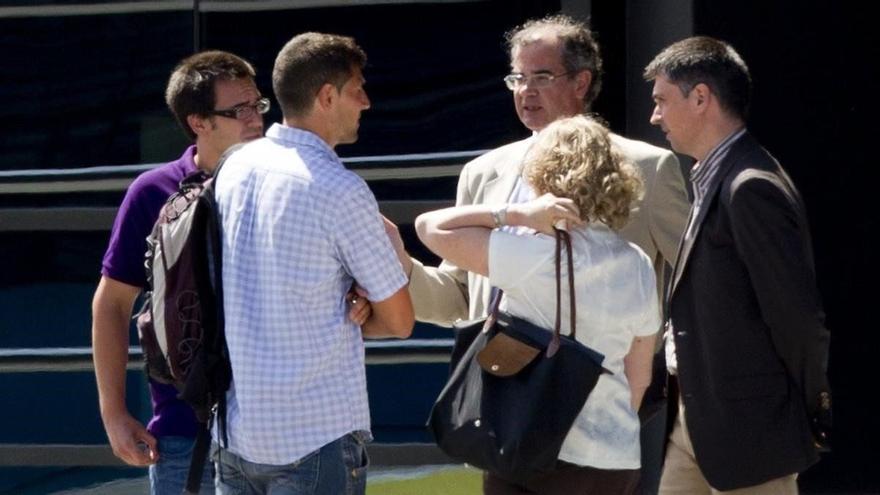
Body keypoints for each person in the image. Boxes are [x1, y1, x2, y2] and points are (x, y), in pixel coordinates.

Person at [384, 13, 690, 494]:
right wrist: (396, 267)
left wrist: (675, 368)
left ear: (581, 81)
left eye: (541, 77)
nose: (525, 90)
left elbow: (698, 282)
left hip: (600, 415)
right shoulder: (484, 172)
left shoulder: (647, 168)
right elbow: (460, 297)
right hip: (508, 411)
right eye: (517, 78)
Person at [210, 32, 414, 494]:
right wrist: (356, 312)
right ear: (326, 96)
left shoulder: (233, 168)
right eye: (357, 88)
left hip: (237, 437)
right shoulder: (339, 189)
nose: (367, 101)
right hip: (313, 441)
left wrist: (338, 308)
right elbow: (400, 321)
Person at [416, 115, 660, 494]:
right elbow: (639, 376)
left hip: (528, 449)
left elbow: (429, 227)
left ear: (543, 177)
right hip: (614, 459)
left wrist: (511, 213)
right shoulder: (637, 262)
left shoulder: (533, 254)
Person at [644, 36, 832, 494]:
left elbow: (797, 319)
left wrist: (808, 407)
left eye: (662, 101)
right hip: (693, 423)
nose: (655, 116)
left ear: (702, 98)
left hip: (751, 433)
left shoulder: (750, 186)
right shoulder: (714, 176)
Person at [91, 50, 267, 494]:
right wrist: (113, 413)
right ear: (198, 122)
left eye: (257, 105)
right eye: (238, 110)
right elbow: (112, 303)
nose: (255, 119)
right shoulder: (153, 192)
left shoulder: (284, 184)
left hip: (281, 436)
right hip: (184, 437)